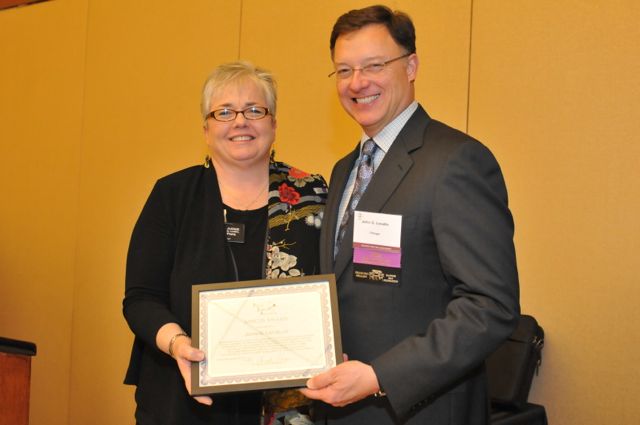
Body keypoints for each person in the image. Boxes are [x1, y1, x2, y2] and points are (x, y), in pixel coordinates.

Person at [300, 5, 520, 425]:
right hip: (341, 407)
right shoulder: (344, 169)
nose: (357, 82)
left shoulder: (456, 161)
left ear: (412, 66)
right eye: (344, 70)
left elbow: (490, 306)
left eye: (374, 65)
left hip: (421, 410)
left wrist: (380, 376)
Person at [123, 61, 327, 425]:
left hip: (285, 404)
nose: (240, 122)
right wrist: (178, 344)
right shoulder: (172, 195)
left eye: (254, 110)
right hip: (182, 397)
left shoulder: (311, 196)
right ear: (206, 129)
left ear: (273, 124)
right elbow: (141, 299)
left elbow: (334, 290)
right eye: (225, 112)